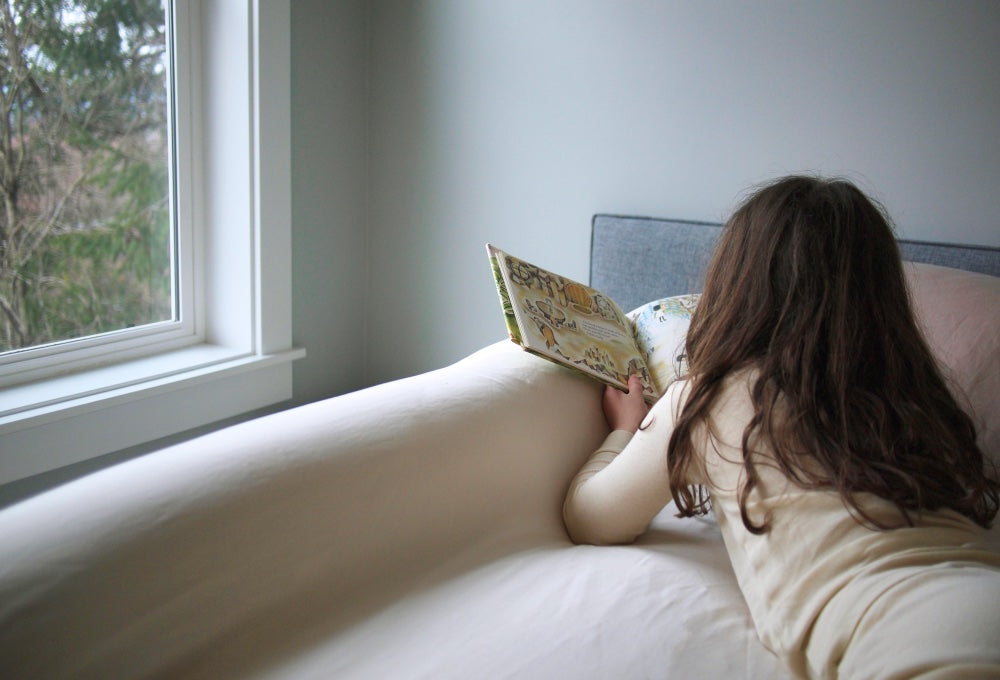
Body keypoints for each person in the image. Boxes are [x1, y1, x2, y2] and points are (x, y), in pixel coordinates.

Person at [563, 176, 1000, 679]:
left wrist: (624, 430)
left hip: (901, 634)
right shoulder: (916, 400)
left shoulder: (708, 395)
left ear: (738, 289)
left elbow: (589, 517)